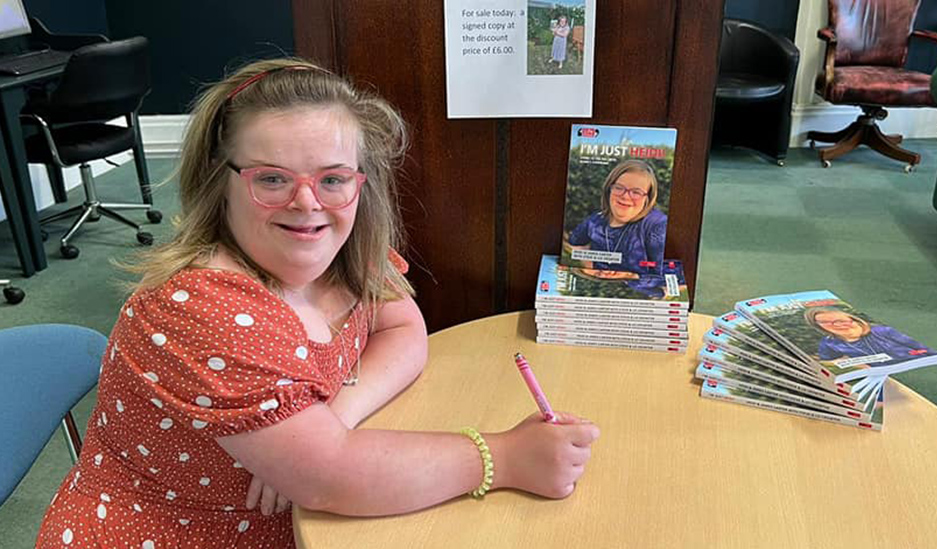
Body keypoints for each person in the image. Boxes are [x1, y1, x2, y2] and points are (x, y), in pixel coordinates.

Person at [36, 58, 599, 548]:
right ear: (220, 182)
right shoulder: (200, 306)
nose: (307, 203)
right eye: (273, 178)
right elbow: (332, 478)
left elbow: (402, 324)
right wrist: (503, 457)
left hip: (302, 523)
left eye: (333, 179)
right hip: (178, 533)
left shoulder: (343, 251)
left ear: (361, 183)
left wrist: (334, 416)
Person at [565, 159, 667, 296]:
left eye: (636, 192)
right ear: (609, 190)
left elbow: (669, 276)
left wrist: (628, 276)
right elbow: (571, 246)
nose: (625, 196)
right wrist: (588, 266)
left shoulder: (656, 225)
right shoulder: (596, 220)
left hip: (637, 298)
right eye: (619, 188)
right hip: (595, 293)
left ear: (647, 199)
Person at [803, 307, 933, 366]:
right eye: (825, 322)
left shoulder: (882, 331)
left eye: (839, 319)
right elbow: (827, 363)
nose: (836, 325)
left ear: (851, 318)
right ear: (819, 327)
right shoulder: (829, 343)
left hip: (907, 365)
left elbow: (924, 350)